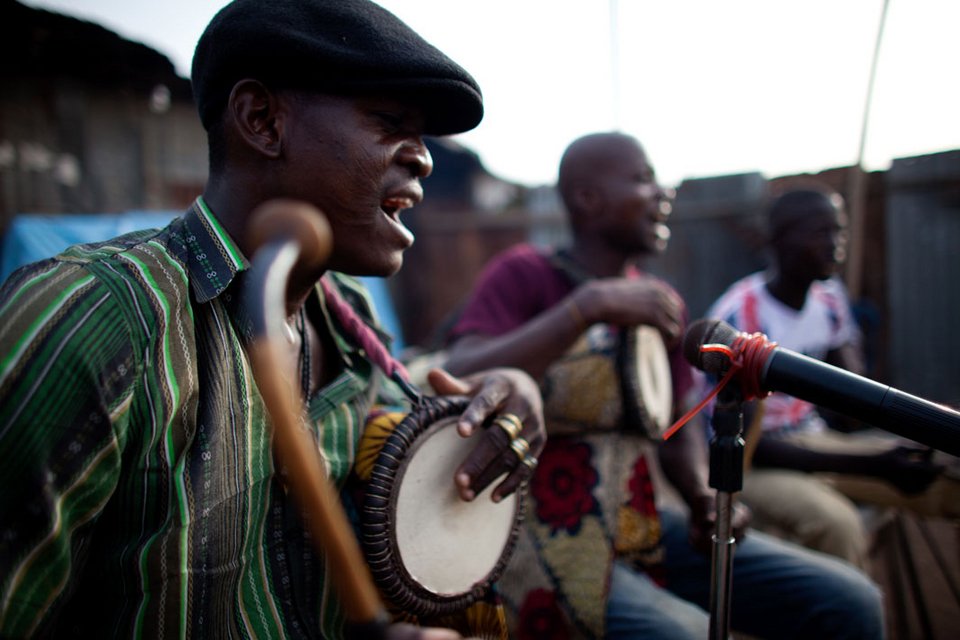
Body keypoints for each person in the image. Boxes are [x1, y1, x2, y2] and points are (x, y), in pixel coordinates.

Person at [0, 1, 546, 638]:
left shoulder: (346, 316)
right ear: (262, 120)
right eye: (391, 121)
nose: (423, 159)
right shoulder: (97, 317)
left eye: (421, 135)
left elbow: (414, 384)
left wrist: (517, 384)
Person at [442, 132, 885, 639]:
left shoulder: (657, 302)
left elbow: (678, 420)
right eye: (643, 179)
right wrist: (585, 308)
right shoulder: (526, 273)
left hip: (642, 524)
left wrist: (699, 495)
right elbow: (463, 367)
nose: (663, 193)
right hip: (533, 532)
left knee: (851, 602)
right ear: (588, 198)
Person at [704, 186, 949, 570]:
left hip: (814, 439)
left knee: (945, 470)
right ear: (780, 240)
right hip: (757, 462)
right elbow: (751, 445)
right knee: (838, 525)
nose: (836, 245)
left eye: (841, 232)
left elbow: (853, 403)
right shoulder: (742, 316)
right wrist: (872, 465)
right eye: (821, 232)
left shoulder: (829, 299)